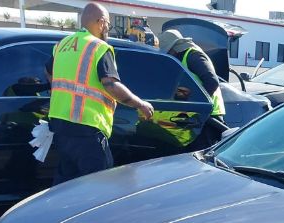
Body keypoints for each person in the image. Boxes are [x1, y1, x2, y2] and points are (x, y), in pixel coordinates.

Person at [46, 2, 154, 184]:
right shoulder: (98, 47)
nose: (108, 30)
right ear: (102, 22)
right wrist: (140, 104)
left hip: (61, 124)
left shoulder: (63, 45)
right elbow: (110, 84)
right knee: (99, 186)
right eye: (108, 25)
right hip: (87, 127)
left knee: (66, 185)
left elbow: (49, 71)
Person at [158, 29, 226, 148]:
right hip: (196, 115)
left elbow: (212, 81)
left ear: (174, 48)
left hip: (208, 115)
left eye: (168, 51)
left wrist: (198, 105)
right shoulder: (181, 58)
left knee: (202, 156)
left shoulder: (193, 56)